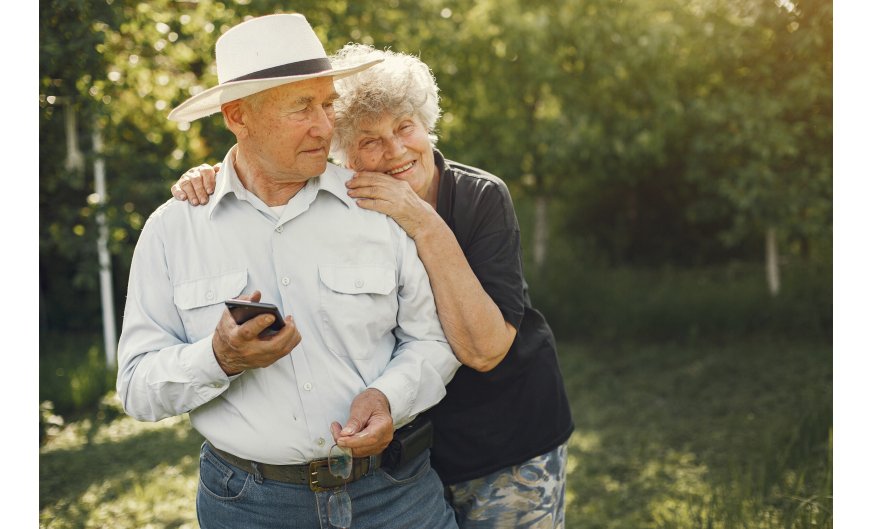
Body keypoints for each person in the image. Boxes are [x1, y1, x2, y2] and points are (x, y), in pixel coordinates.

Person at [173, 43, 575, 529]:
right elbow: (268, 172)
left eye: (405, 127)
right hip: (405, 460)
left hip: (505, 443)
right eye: (369, 140)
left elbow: (486, 350)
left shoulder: (479, 198)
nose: (396, 150)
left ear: (425, 124)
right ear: (341, 153)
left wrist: (422, 221)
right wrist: (220, 177)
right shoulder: (349, 205)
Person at [118, 15, 462, 529]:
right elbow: (136, 388)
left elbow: (433, 340)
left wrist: (387, 396)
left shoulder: (376, 205)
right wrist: (218, 358)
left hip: (394, 495)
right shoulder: (173, 231)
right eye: (301, 107)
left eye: (327, 103)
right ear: (238, 116)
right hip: (249, 507)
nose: (325, 126)